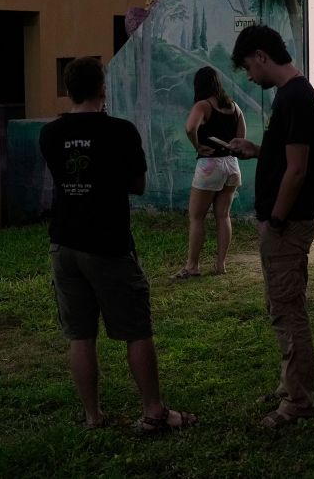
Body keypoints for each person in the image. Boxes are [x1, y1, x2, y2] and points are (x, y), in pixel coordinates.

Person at [39, 57, 196, 434]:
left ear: (68, 90)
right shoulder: (120, 131)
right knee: (135, 329)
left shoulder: (50, 134)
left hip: (64, 243)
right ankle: (153, 411)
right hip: (107, 243)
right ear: (102, 88)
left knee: (80, 334)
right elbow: (138, 184)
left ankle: (93, 416)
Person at [227, 25, 314, 429]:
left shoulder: (296, 97)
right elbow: (289, 154)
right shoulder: (291, 97)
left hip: (287, 224)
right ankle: (292, 383)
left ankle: (299, 401)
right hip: (283, 223)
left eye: (248, 66)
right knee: (282, 305)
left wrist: (277, 220)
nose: (249, 75)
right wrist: (257, 151)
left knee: (287, 309)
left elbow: (298, 170)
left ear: (262, 56)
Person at [174, 66, 245, 279]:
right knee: (223, 216)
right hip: (231, 165)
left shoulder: (202, 106)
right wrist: (231, 147)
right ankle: (220, 265)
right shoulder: (234, 106)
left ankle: (192, 266)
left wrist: (198, 146)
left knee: (196, 217)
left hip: (209, 165)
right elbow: (241, 136)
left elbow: (189, 128)